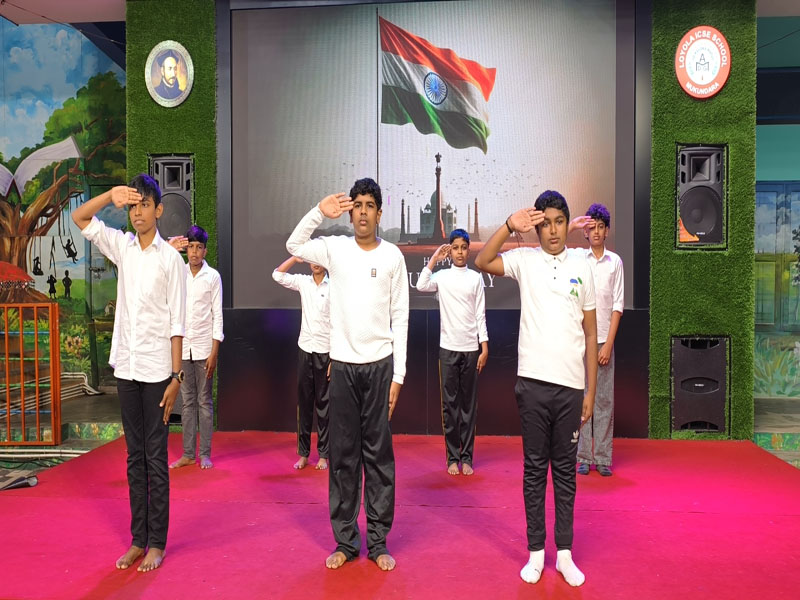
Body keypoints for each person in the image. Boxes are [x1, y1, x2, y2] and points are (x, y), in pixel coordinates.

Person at [474, 190, 597, 587]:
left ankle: (565, 554)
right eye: (545, 224)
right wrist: (509, 226)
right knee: (534, 471)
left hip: (570, 388)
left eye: (559, 222)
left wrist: (590, 391)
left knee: (565, 473)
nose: (553, 230)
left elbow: (591, 332)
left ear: (566, 223)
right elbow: (483, 260)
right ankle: (536, 553)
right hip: (532, 385)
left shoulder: (582, 265)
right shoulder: (525, 260)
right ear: (538, 227)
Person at [286, 177, 408, 572]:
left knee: (378, 457)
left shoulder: (392, 256)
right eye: (357, 205)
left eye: (369, 205)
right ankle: (345, 542)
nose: (362, 212)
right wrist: (319, 212)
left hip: (380, 367)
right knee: (342, 457)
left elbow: (401, 316)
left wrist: (399, 375)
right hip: (341, 368)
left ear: (379, 213)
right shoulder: (334, 248)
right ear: (350, 212)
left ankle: (378, 542)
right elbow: (294, 246)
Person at [72, 174, 186, 573]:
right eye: (134, 206)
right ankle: (138, 540)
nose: (138, 213)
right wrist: (109, 196)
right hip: (127, 367)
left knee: (155, 457)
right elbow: (80, 218)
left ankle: (157, 543)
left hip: (157, 372)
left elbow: (177, 323)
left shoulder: (170, 260)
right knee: (134, 457)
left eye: (145, 205)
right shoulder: (123, 247)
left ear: (159, 210)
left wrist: (176, 378)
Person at [416, 228, 488, 476]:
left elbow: (480, 314)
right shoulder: (443, 277)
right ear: (450, 251)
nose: (459, 252)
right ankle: (452, 458)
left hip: (470, 349)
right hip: (448, 349)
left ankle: (467, 457)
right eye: (455, 248)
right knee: (450, 406)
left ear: (469, 250)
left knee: (468, 407)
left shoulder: (475, 278)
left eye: (463, 248)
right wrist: (435, 257)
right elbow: (421, 284)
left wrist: (484, 345)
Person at [167, 226, 224, 471]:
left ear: (205, 251)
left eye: (199, 247)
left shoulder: (213, 277)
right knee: (187, 402)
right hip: (183, 348)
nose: (194, 252)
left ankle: (205, 454)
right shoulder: (178, 272)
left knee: (204, 402)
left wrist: (214, 352)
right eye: (190, 247)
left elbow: (217, 315)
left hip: (204, 349)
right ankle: (188, 454)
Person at [573, 204, 623, 477]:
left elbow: (617, 306)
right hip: (581, 342)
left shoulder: (615, 262)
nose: (595, 232)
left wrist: (609, 344)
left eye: (600, 227)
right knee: (582, 398)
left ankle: (603, 457)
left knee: (604, 400)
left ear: (607, 231)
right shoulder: (578, 259)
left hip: (604, 341)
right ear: (585, 232)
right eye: (591, 228)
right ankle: (583, 455)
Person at [272, 255, 330, 471]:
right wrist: (295, 258)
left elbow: (339, 323)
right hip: (305, 348)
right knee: (304, 404)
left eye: (319, 258)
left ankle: (324, 455)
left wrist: (334, 357)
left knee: (324, 405)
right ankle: (303, 454)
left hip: (326, 351)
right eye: (311, 258)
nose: (315, 263)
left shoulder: (334, 286)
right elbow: (277, 275)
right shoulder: (303, 282)